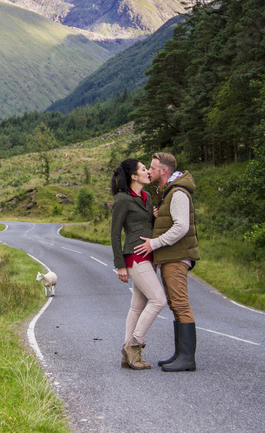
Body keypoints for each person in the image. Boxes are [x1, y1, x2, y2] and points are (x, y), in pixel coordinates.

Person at [134, 152, 200, 372]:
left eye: (152, 168)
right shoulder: (167, 193)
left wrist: (154, 244)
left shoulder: (178, 193)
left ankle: (187, 359)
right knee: (174, 304)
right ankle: (180, 355)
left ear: (163, 171)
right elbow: (170, 222)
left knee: (180, 304)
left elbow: (181, 227)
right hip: (170, 256)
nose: (149, 171)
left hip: (176, 256)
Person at [111, 159, 167, 370]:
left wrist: (153, 218)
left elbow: (146, 227)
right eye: (143, 169)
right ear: (134, 176)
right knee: (158, 300)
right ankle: (135, 344)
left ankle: (127, 355)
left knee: (137, 307)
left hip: (149, 256)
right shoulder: (122, 200)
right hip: (134, 257)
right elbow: (115, 234)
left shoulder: (146, 197)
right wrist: (120, 265)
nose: (147, 172)